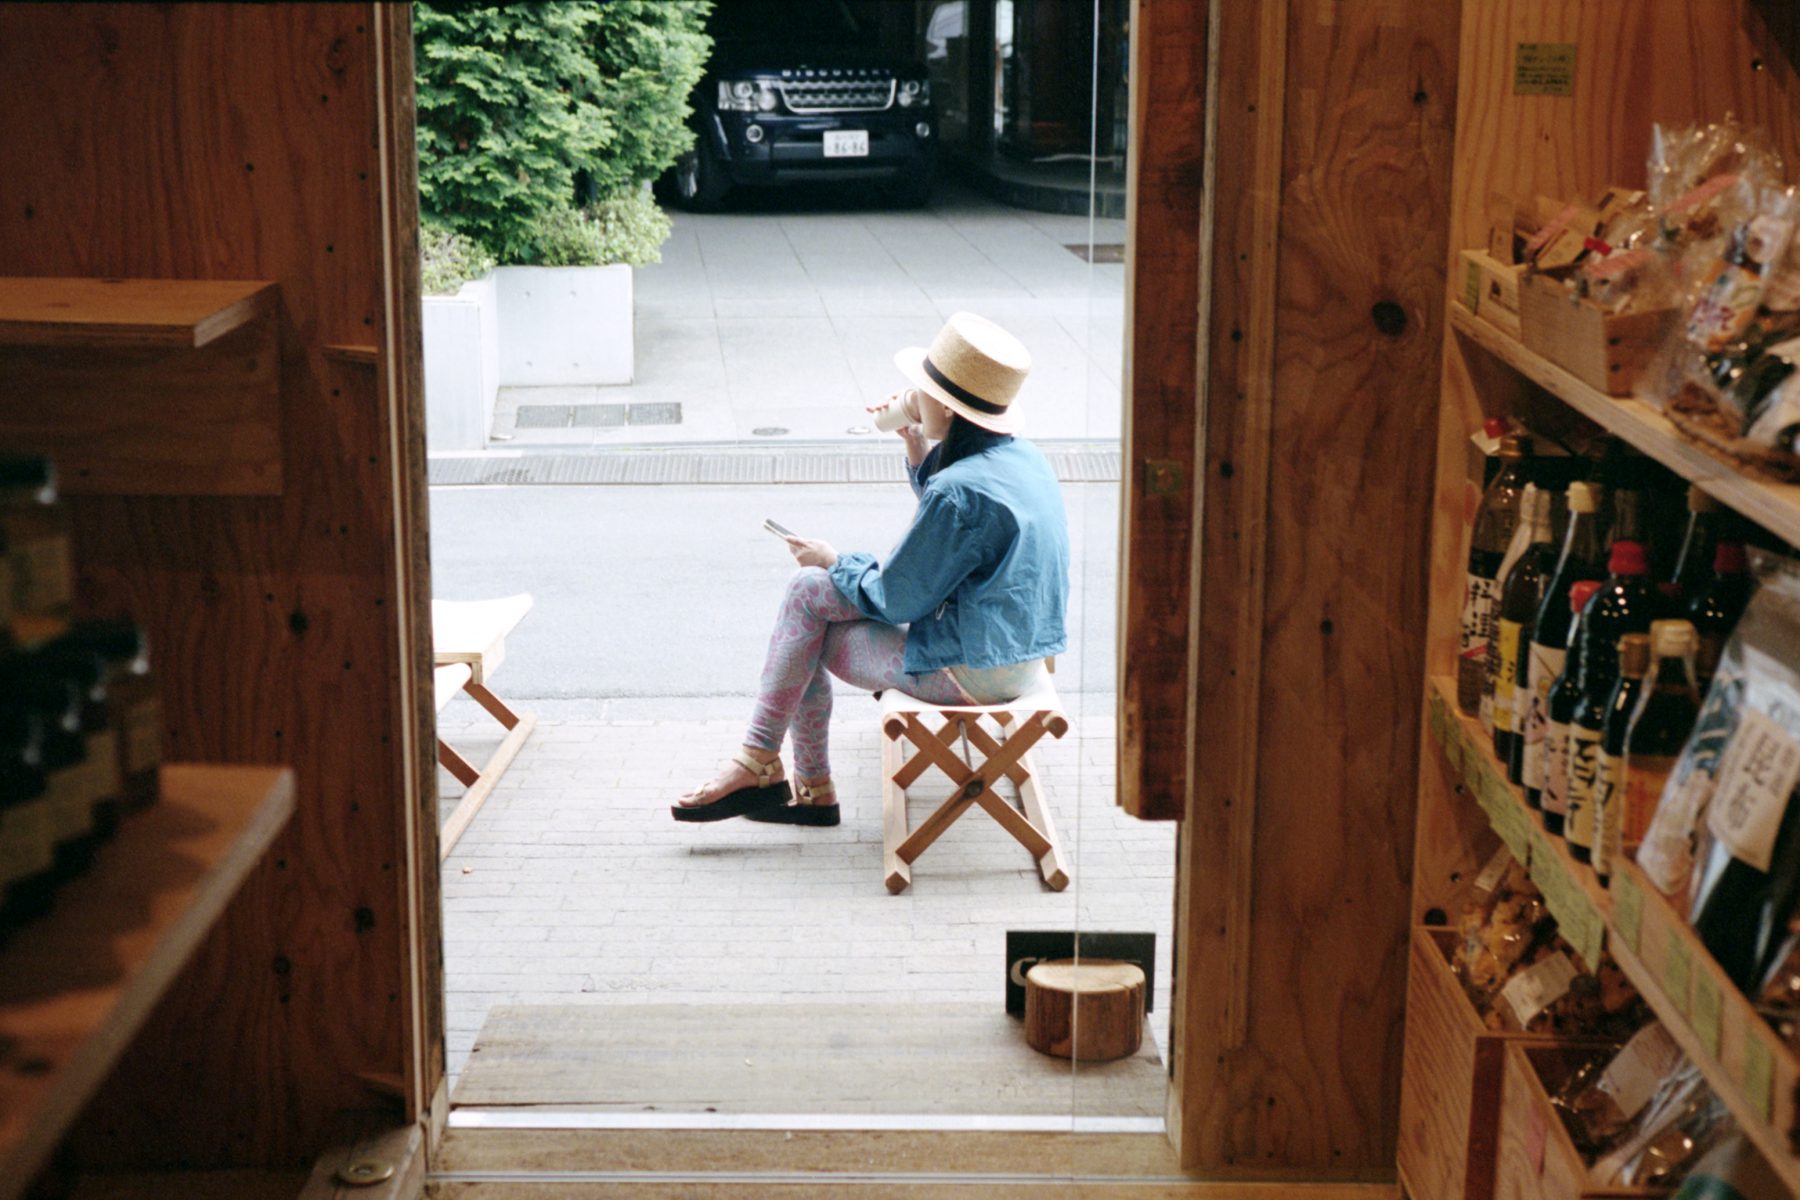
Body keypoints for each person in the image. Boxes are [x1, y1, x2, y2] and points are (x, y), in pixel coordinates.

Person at [673, 311, 1071, 826]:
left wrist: (835, 560)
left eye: (922, 388)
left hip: (973, 670)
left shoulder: (957, 490)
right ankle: (785, 777)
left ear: (947, 410)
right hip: (1019, 652)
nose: (913, 393)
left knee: (805, 623)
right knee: (808, 596)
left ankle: (779, 772)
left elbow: (899, 596)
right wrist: (916, 447)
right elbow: (961, 531)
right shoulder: (1025, 459)